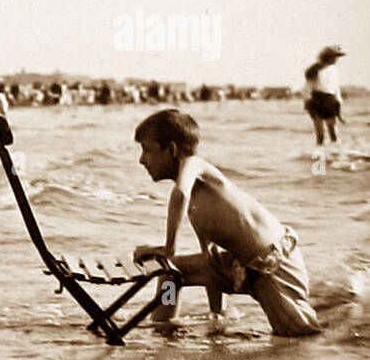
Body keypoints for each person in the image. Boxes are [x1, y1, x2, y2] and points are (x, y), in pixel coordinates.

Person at [132, 108, 320, 336]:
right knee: (172, 272)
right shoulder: (196, 206)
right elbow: (210, 262)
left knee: (301, 334)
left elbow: (179, 194)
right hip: (244, 267)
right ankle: (163, 328)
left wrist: (168, 248)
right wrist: (217, 318)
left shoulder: (194, 165)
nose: (142, 160)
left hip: (274, 264)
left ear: (171, 149)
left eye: (146, 150)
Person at [303, 45, 345, 146]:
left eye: (336, 57)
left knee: (332, 128)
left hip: (330, 99)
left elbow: (335, 87)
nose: (336, 59)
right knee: (320, 131)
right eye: (334, 57)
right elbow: (308, 86)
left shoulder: (334, 70)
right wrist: (307, 101)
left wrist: (339, 102)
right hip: (316, 99)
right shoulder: (315, 69)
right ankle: (319, 150)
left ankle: (335, 150)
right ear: (327, 56)